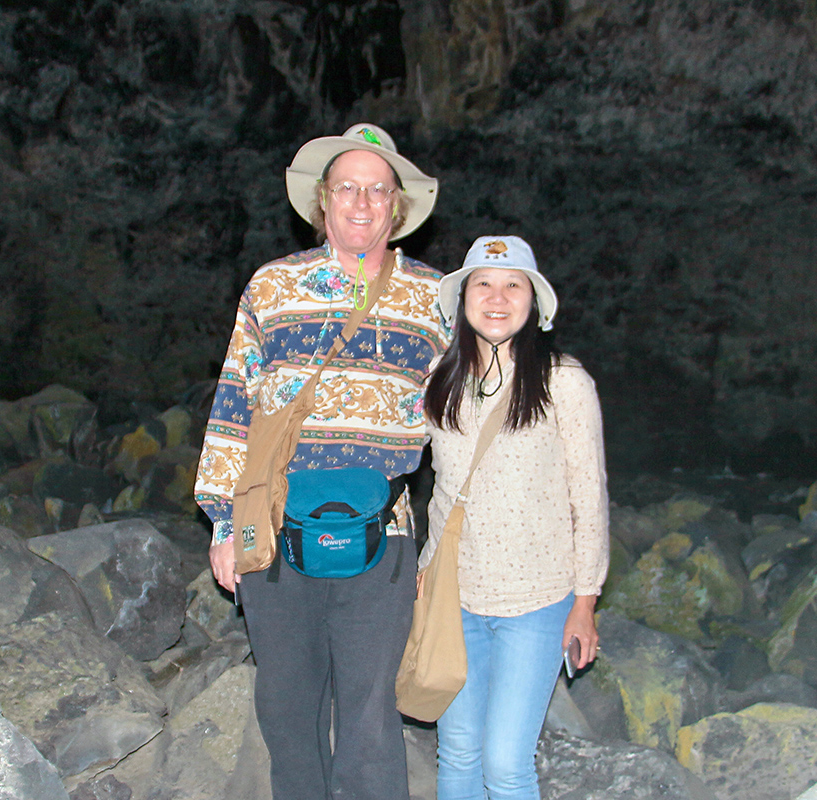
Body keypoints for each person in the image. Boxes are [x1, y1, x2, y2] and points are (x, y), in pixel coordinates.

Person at [194, 123, 449, 800]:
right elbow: (233, 403)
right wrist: (223, 522)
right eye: (347, 188)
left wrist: (449, 546)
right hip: (274, 524)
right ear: (322, 202)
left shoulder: (436, 299)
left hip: (383, 531)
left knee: (369, 717)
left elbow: (468, 420)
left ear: (397, 205)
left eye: (377, 190)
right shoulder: (272, 287)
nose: (362, 203)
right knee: (285, 706)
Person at [420, 235, 610, 800]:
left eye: (513, 285)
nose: (497, 297)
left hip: (537, 598)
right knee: (457, 754)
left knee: (505, 764)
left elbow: (589, 497)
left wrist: (586, 601)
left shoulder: (564, 382)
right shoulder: (436, 378)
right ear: (463, 298)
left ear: (533, 303)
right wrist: (423, 571)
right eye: (483, 283)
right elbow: (428, 484)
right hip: (454, 595)